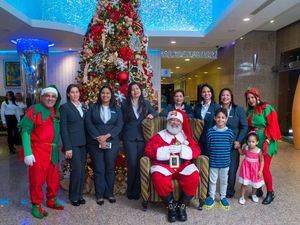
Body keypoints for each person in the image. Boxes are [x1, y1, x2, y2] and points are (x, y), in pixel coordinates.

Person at [145, 110, 200, 222]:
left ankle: (182, 206)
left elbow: (197, 151)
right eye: (172, 120)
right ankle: (171, 206)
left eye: (177, 121)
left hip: (182, 165)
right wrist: (165, 150)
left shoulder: (185, 137)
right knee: (157, 177)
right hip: (164, 166)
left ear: (180, 123)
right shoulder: (159, 136)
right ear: (168, 122)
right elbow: (148, 150)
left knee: (194, 175)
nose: (174, 122)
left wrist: (182, 149)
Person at [18, 85, 64, 219]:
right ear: (42, 97)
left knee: (53, 178)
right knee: (37, 179)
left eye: (53, 96)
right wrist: (27, 152)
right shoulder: (34, 109)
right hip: (38, 151)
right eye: (47, 95)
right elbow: (25, 130)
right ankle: (36, 204)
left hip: (53, 151)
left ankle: (51, 199)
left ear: (56, 99)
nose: (50, 98)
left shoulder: (56, 112)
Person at [85, 86, 123, 205]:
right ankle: (99, 195)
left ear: (111, 95)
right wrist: (98, 138)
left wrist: (106, 136)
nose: (105, 95)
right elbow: (88, 123)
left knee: (110, 169)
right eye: (103, 93)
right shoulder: (93, 107)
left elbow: (119, 124)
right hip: (95, 143)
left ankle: (109, 193)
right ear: (100, 95)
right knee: (99, 169)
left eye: (107, 93)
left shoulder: (116, 108)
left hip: (112, 141)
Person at [245, 86, 281, 205]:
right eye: (248, 98)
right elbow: (249, 127)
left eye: (252, 97)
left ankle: (270, 192)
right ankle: (258, 189)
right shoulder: (249, 111)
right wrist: (248, 141)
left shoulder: (267, 108)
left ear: (257, 97)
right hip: (255, 141)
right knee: (255, 165)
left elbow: (273, 125)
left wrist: (268, 141)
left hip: (267, 140)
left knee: (264, 168)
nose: (250, 100)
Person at [122, 82, 157, 200]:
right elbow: (121, 122)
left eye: (137, 89)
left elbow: (155, 112)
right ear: (129, 92)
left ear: (140, 90)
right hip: (129, 138)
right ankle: (130, 190)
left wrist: (152, 115)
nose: (135, 91)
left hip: (142, 138)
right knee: (132, 164)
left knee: (139, 164)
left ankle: (136, 191)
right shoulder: (124, 104)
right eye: (132, 90)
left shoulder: (146, 103)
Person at [218, 88, 248, 198]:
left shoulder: (238, 109)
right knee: (221, 167)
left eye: (227, 95)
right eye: (223, 95)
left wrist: (239, 141)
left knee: (232, 167)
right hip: (220, 143)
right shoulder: (218, 108)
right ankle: (221, 187)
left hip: (233, 144)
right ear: (220, 97)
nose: (225, 97)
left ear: (231, 97)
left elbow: (244, 127)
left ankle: (229, 190)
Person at [60, 84, 86, 207]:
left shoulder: (83, 106)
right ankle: (73, 196)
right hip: (73, 144)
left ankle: (80, 195)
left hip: (83, 143)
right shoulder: (64, 107)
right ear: (68, 94)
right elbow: (63, 128)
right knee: (76, 170)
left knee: (82, 171)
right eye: (72, 92)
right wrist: (67, 147)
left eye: (77, 92)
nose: (75, 94)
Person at [204, 108, 234, 210]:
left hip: (225, 162)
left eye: (223, 117)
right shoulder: (210, 132)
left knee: (224, 180)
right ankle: (211, 196)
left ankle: (223, 197)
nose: (220, 119)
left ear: (226, 119)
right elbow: (209, 145)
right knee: (212, 181)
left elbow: (230, 145)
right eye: (218, 117)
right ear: (214, 118)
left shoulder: (229, 132)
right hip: (213, 161)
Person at [238, 132, 264, 205]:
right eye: (249, 141)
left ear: (257, 142)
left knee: (255, 183)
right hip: (246, 168)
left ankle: (253, 194)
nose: (251, 143)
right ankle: (242, 196)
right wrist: (239, 147)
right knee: (244, 183)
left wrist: (260, 171)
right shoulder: (246, 148)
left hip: (255, 169)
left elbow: (262, 161)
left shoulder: (259, 151)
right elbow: (242, 153)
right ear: (247, 142)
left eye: (253, 142)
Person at [194, 83, 220, 156]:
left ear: (211, 94)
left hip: (211, 140)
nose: (206, 94)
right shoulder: (197, 106)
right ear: (201, 94)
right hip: (198, 139)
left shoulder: (216, 107)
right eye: (204, 92)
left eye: (208, 91)